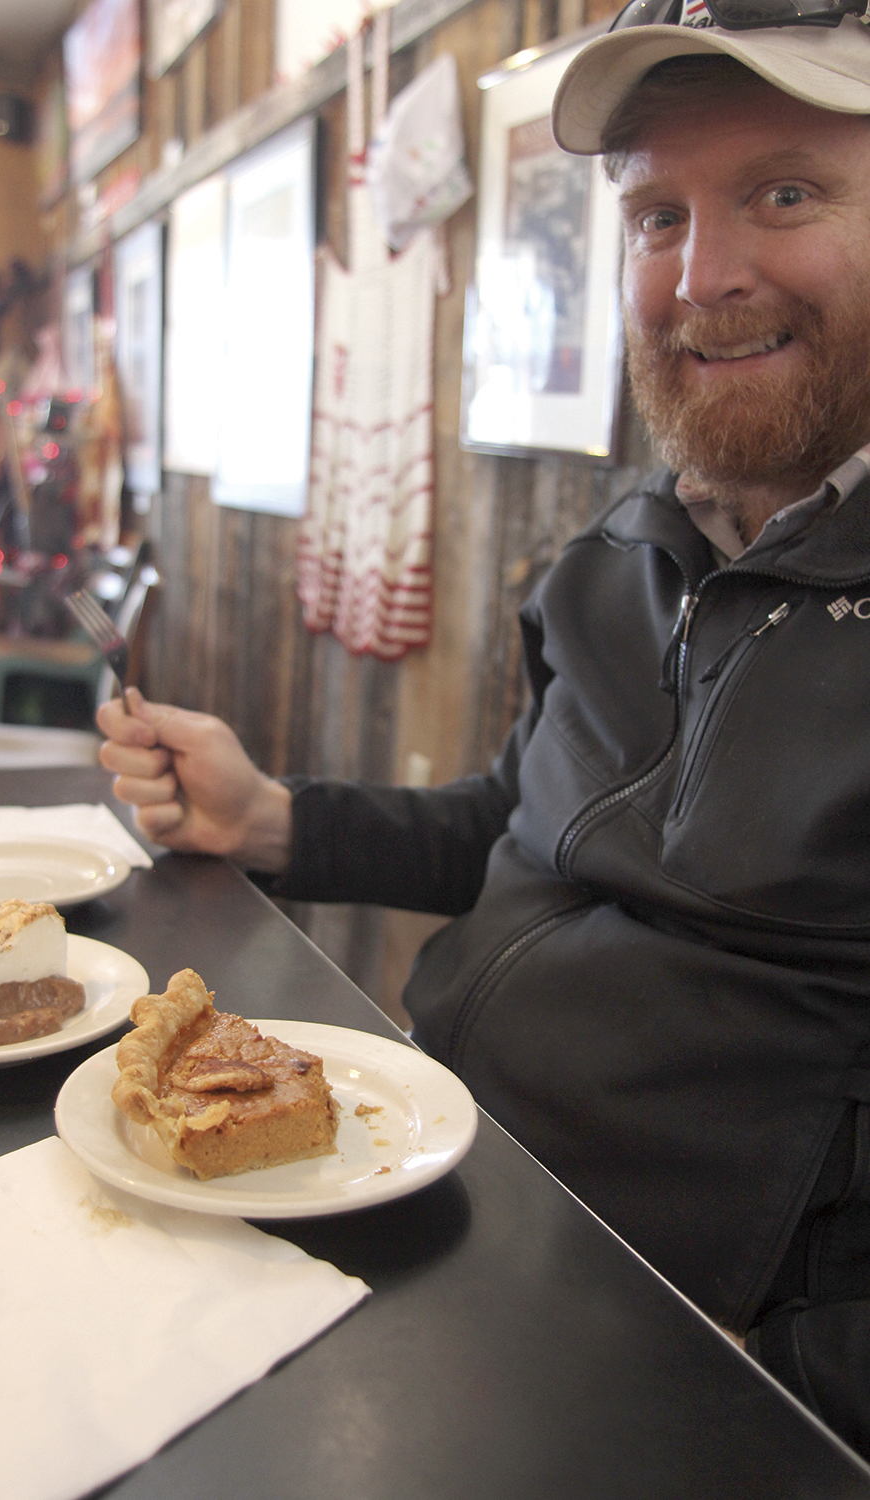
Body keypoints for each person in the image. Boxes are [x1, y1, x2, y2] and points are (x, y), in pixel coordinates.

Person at [99, 1, 870, 1456]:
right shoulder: (632, 546)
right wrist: (270, 819)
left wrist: (767, 1413)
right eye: (654, 215)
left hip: (670, 1350)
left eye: (784, 192)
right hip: (418, 1180)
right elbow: (526, 826)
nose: (701, 276)